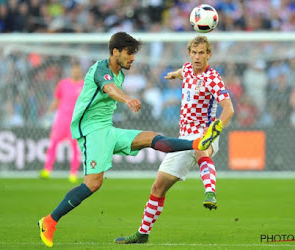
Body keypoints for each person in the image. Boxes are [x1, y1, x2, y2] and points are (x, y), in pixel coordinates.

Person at [37, 32, 218, 248]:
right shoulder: (100, 69)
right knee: (94, 184)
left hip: (108, 129)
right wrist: (128, 99)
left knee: (150, 138)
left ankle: (197, 143)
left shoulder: (120, 72)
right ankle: (49, 221)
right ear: (116, 52)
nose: (133, 58)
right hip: (91, 131)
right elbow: (109, 89)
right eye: (129, 53)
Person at [114, 35, 234, 244]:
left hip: (205, 133)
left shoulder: (213, 78)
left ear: (209, 54)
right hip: (183, 138)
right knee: (157, 187)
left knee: (200, 151)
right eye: (194, 53)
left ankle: (210, 192)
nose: (197, 57)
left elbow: (229, 109)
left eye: (201, 53)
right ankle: (142, 233)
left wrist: (216, 129)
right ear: (189, 53)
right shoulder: (187, 69)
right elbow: (183, 73)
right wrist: (173, 74)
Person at [39, 63, 84, 183]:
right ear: (71, 72)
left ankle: (73, 173)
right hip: (61, 120)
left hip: (75, 121)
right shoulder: (63, 84)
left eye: (78, 71)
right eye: (74, 71)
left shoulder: (84, 86)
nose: (76, 73)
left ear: (80, 72)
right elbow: (57, 100)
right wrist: (48, 114)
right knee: (53, 143)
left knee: (75, 147)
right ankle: (47, 169)